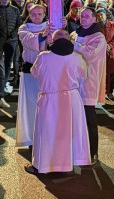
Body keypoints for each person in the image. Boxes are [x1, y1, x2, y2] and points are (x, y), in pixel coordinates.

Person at [24, 30, 90, 174]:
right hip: (71, 99)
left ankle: (44, 166)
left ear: (53, 41)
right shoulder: (77, 58)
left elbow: (34, 73)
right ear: (68, 40)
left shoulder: (43, 57)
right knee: (69, 133)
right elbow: (83, 76)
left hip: (50, 99)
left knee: (48, 133)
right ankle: (69, 164)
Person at [72, 7, 106, 164]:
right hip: (73, 81)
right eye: (81, 16)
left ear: (94, 19)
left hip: (88, 80)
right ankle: (77, 151)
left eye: (86, 16)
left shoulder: (99, 37)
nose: (83, 18)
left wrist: (74, 44)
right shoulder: (75, 33)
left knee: (89, 119)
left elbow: (90, 54)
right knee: (74, 119)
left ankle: (93, 153)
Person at [15, 5, 51, 148]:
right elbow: (30, 42)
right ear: (29, 15)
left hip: (48, 70)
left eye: (39, 14)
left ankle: (47, 136)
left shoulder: (50, 25)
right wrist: (44, 34)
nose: (36, 16)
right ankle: (31, 137)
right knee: (32, 105)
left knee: (48, 104)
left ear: (44, 14)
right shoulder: (24, 28)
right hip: (30, 69)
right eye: (33, 14)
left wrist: (62, 27)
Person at [0, 0, 22, 95]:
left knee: (8, 63)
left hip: (12, 40)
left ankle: (3, 84)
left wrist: (13, 35)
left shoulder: (15, 10)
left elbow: (19, 24)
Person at [96, 7, 114, 98]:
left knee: (112, 74)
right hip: (100, 53)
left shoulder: (112, 25)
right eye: (98, 16)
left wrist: (110, 45)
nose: (100, 17)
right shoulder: (96, 26)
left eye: (101, 15)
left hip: (112, 53)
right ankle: (102, 92)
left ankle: (110, 91)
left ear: (105, 15)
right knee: (102, 74)